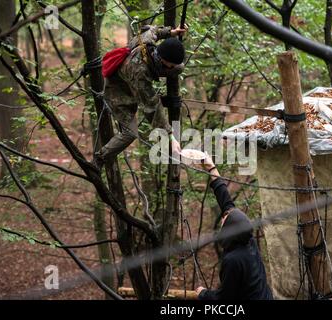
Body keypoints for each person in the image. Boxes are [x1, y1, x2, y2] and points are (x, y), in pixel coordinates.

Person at [92, 25, 187, 171]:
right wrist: (170, 137)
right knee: (130, 134)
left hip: (136, 76)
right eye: (170, 64)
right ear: (162, 60)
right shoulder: (140, 73)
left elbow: (153, 30)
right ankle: (100, 158)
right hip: (118, 92)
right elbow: (152, 107)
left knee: (179, 67)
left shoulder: (148, 42)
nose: (171, 67)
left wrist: (171, 32)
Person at [195, 154, 274, 300]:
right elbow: (224, 198)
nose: (223, 217)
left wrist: (203, 293)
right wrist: (210, 167)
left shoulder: (233, 260)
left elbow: (225, 299)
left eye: (225, 218)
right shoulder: (247, 239)